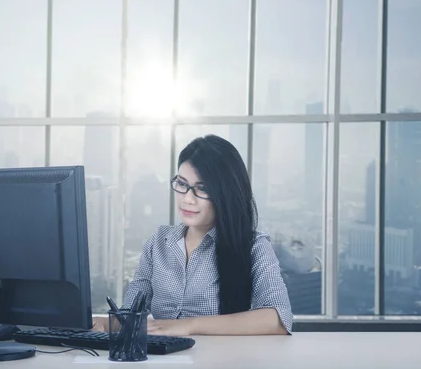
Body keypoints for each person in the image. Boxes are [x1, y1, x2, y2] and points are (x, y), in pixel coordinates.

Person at [92, 135, 293, 336]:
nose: (187, 199)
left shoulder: (253, 246)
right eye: (181, 184)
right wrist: (103, 323)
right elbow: (132, 316)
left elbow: (278, 319)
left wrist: (189, 325)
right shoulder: (159, 242)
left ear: (226, 193)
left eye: (202, 189)